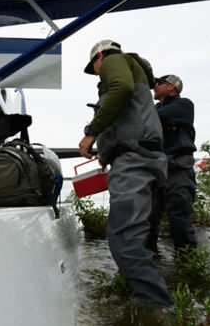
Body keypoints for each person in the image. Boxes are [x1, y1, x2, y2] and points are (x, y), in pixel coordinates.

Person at [78, 40, 174, 307]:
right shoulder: (139, 71)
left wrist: (91, 135)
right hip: (147, 158)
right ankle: (138, 292)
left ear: (99, 56)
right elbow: (131, 115)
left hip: (133, 161)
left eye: (94, 67)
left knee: (123, 239)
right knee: (139, 236)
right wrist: (109, 154)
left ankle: (157, 311)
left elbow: (122, 89)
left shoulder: (113, 61)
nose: (98, 72)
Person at [146, 74, 198, 253]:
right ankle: (150, 261)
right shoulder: (155, 108)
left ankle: (187, 267)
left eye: (158, 83)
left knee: (180, 220)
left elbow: (149, 117)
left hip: (178, 170)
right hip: (155, 171)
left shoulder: (184, 105)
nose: (154, 86)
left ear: (171, 87)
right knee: (148, 218)